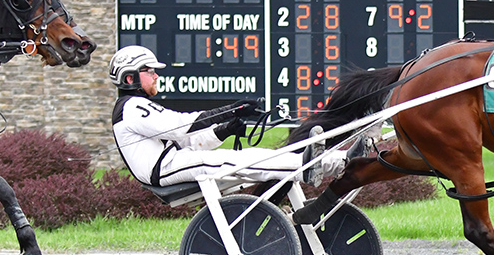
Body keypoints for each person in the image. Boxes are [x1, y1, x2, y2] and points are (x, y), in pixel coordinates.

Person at [109, 45, 344, 187]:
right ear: (130, 78)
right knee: (239, 161)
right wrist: (231, 110)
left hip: (173, 161)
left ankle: (339, 162)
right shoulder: (131, 107)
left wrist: (225, 129)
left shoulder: (136, 107)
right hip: (163, 169)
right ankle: (308, 167)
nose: (155, 76)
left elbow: (188, 141)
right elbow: (180, 127)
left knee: (251, 156)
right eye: (149, 71)